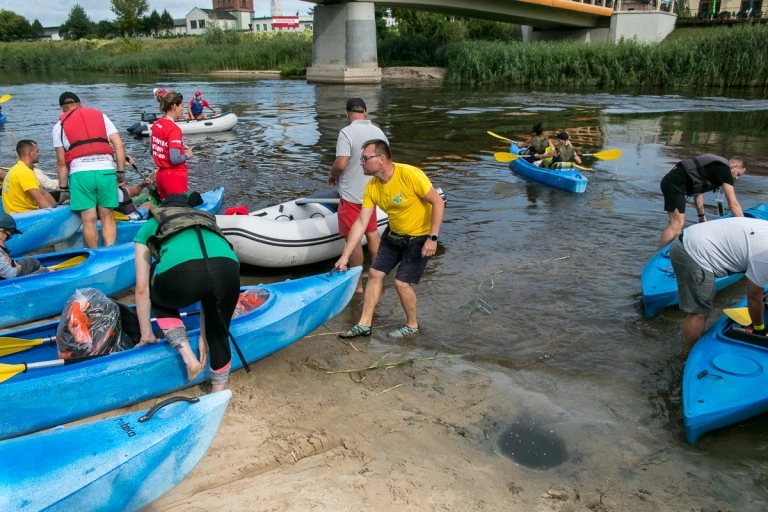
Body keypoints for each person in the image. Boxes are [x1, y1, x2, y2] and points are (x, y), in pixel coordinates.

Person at [335, 139, 445, 339]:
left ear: (381, 159)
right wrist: (345, 256)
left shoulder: (410, 174)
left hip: (419, 236)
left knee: (401, 283)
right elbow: (361, 223)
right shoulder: (372, 187)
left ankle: (412, 326)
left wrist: (433, 238)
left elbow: (437, 202)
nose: (361, 163)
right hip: (394, 234)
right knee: (375, 273)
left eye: (365, 159)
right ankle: (364, 324)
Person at [133, 194, 240, 391]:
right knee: (219, 337)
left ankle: (189, 358)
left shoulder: (151, 223)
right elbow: (209, 293)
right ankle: (217, 395)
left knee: (159, 300)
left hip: (184, 273)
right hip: (229, 269)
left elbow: (141, 289)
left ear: (162, 208)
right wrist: (204, 334)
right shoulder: (206, 218)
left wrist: (147, 334)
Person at [669, 217, 768, 358]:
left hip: (698, 239)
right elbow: (754, 298)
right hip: (693, 252)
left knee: (705, 302)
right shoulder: (764, 258)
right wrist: (759, 329)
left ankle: (694, 346)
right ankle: (688, 358)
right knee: (699, 312)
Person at [327, 97, 387, 293]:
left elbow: (342, 163)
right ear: (366, 112)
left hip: (351, 195)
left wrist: (332, 173)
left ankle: (358, 286)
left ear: (347, 113)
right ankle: (378, 277)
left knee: (352, 238)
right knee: (372, 234)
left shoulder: (346, 132)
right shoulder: (378, 132)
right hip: (372, 193)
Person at [53, 91, 124, 248]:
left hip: (80, 174)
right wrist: (120, 172)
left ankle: (95, 254)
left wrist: (63, 188)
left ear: (62, 109)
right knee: (107, 216)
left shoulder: (59, 126)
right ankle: (109, 251)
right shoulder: (101, 117)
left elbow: (61, 162)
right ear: (80, 103)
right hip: (105, 171)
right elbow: (119, 145)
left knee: (88, 219)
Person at [658, 154, 746, 249]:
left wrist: (701, 217)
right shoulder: (725, 171)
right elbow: (733, 205)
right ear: (734, 166)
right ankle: (659, 257)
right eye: (738, 174)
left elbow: (697, 193)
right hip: (674, 185)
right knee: (677, 223)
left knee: (678, 224)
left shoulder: (716, 169)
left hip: (673, 183)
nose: (737, 178)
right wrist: (745, 226)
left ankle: (669, 252)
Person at [152, 92, 193, 200]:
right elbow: (174, 159)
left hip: (161, 176)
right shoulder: (173, 129)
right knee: (179, 212)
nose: (183, 109)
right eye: (182, 106)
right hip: (174, 178)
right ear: (175, 106)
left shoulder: (156, 124)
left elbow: (153, 150)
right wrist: (187, 155)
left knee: (166, 210)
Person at [2, 140, 57, 214]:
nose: (39, 154)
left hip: (13, 213)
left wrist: (55, 207)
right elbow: (40, 200)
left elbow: (43, 192)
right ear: (30, 153)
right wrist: (55, 214)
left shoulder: (16, 168)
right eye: (37, 151)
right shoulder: (24, 172)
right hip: (22, 216)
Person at [0, 212, 49, 279]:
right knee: (47, 271)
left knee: (32, 262)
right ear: (1, 231)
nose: (7, 239)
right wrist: (19, 267)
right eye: (8, 235)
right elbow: (11, 274)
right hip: (5, 284)